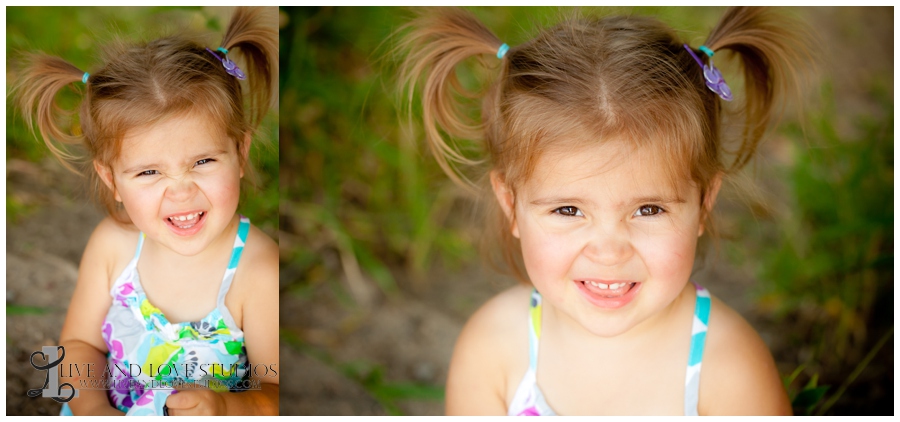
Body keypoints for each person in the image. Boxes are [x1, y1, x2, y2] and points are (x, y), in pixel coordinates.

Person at [397, 7, 813, 415]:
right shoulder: (494, 347)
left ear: (704, 203)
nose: (610, 250)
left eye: (648, 209)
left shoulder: (728, 369)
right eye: (568, 209)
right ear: (511, 204)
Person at [11, 7, 279, 416]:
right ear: (111, 179)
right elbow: (76, 347)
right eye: (150, 171)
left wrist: (225, 407)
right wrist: (93, 410)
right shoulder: (113, 245)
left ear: (240, 153)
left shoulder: (257, 270)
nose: (181, 191)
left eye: (203, 162)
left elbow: (276, 391)